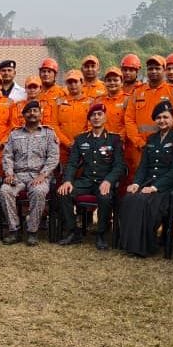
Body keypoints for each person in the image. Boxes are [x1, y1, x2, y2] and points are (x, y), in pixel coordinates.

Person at [117, 101, 173, 257]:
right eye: (158, 118)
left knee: (145, 201)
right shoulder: (151, 139)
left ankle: (145, 246)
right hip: (150, 183)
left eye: (165, 117)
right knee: (130, 198)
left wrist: (156, 187)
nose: (162, 120)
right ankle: (131, 244)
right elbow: (143, 166)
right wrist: (136, 183)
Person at [57, 103, 126, 249]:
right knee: (64, 193)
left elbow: (119, 165)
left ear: (105, 117)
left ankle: (101, 235)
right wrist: (68, 180)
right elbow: (72, 163)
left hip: (104, 182)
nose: (96, 117)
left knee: (105, 197)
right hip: (86, 181)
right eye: (93, 115)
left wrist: (109, 180)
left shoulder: (114, 139)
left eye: (99, 114)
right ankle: (73, 232)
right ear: (89, 119)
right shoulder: (81, 139)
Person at [0, 101, 60, 246]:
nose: (32, 114)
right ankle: (14, 230)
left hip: (40, 176)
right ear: (23, 115)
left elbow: (53, 157)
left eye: (35, 111)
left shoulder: (49, 133)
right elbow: (7, 156)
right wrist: (9, 173)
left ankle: (32, 231)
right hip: (18, 176)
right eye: (28, 111)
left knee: (38, 191)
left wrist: (43, 175)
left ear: (40, 113)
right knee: (5, 190)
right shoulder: (14, 134)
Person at [125, 56, 173, 175]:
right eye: (150, 68)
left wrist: (168, 142)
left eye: (157, 68)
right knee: (137, 177)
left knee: (161, 177)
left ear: (164, 69)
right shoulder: (137, 92)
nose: (154, 71)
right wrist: (138, 141)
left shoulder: (172, 91)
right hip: (140, 146)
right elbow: (129, 119)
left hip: (163, 146)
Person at [53, 70, 95, 169]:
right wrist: (67, 143)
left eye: (75, 82)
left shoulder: (90, 102)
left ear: (82, 82)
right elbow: (54, 125)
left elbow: (92, 125)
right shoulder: (59, 102)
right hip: (63, 149)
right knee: (63, 177)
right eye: (70, 82)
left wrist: (80, 143)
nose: (73, 85)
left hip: (84, 147)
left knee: (82, 177)